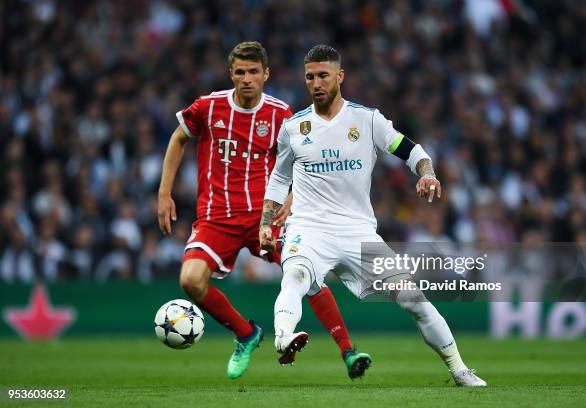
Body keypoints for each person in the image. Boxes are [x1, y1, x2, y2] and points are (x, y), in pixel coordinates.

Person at [260, 44, 487, 387]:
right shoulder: (294, 128)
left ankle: (459, 369)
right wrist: (266, 221)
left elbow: (412, 150)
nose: (316, 83)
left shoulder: (367, 120)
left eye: (323, 75)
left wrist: (426, 173)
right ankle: (283, 337)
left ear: (340, 76)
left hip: (358, 233)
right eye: (310, 77)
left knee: (414, 299)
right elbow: (279, 178)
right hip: (309, 228)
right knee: (295, 275)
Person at [157, 41, 370, 380]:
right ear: (231, 74)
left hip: (265, 218)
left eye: (253, 72)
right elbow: (177, 139)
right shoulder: (208, 107)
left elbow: (303, 162)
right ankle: (246, 334)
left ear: (265, 74)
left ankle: (348, 350)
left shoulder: (281, 114)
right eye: (240, 72)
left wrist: (289, 202)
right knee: (190, 280)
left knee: (307, 273)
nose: (246, 79)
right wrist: (164, 193)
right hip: (217, 217)